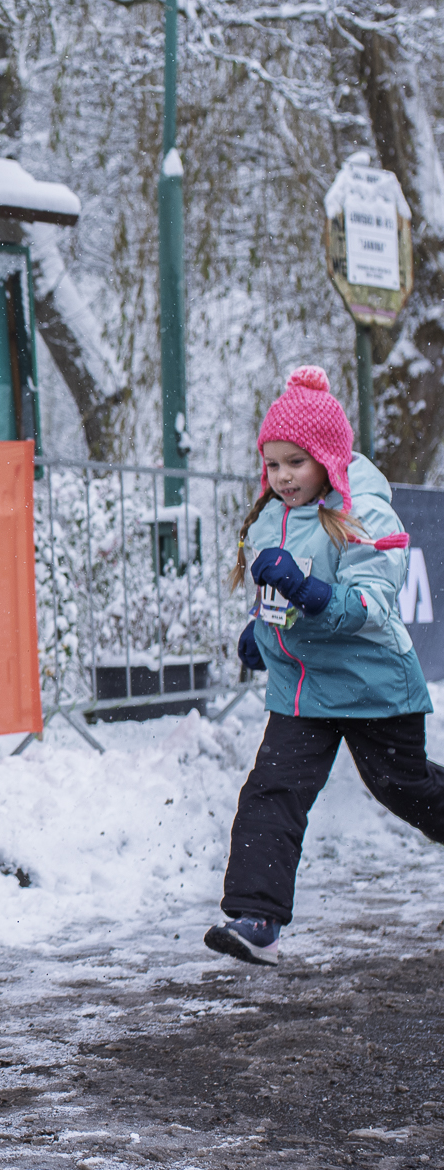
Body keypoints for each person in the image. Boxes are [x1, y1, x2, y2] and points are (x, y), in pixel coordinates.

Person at [208, 365, 444, 967]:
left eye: (297, 462)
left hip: (373, 686)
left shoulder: (365, 513)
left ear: (329, 459)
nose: (283, 476)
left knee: (404, 788)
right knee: (273, 790)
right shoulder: (268, 519)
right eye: (273, 464)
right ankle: (256, 919)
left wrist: (310, 592)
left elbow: (372, 605)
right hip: (302, 692)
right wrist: (262, 631)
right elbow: (276, 597)